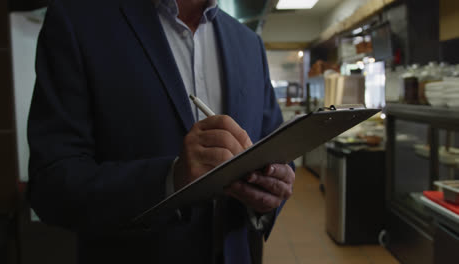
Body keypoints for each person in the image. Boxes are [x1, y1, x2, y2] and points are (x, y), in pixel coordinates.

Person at [27, 0, 295, 263]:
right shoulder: (78, 22)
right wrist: (170, 180)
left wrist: (273, 188)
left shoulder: (248, 43)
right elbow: (50, 184)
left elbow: (276, 150)